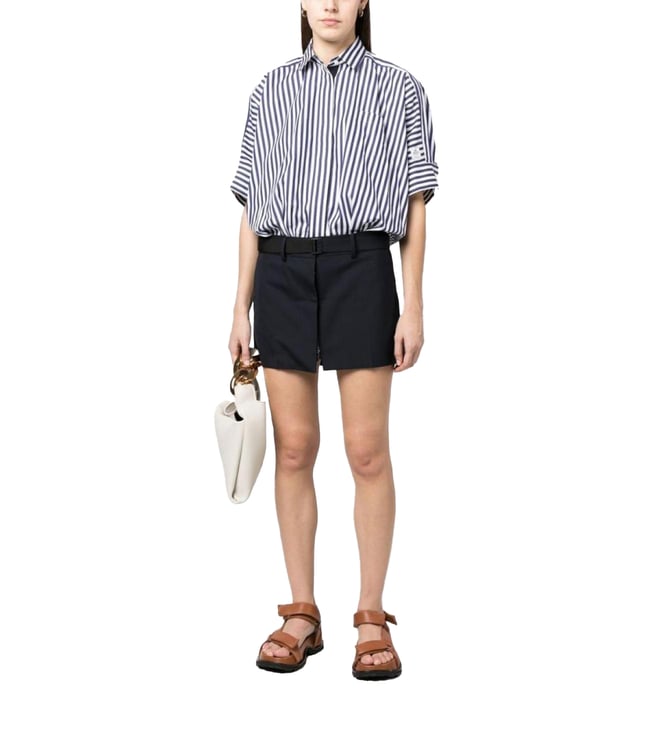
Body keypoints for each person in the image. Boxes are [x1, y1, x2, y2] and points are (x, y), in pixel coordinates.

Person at [228, 0, 438, 680]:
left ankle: (371, 615)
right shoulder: (269, 91)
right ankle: (301, 613)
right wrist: (239, 309)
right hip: (282, 273)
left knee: (366, 451)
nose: (329, 3)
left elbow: (414, 204)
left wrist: (413, 305)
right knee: (294, 448)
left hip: (362, 268)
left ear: (364, 2)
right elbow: (252, 210)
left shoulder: (399, 88)